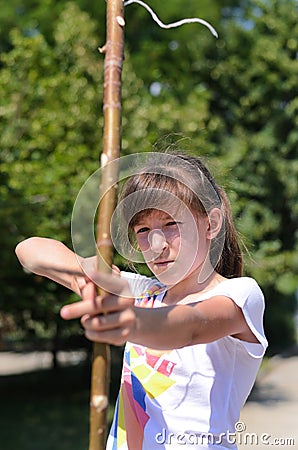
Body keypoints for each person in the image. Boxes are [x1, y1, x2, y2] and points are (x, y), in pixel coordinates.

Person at [15, 151, 267, 450]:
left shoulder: (240, 295)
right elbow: (29, 251)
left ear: (211, 224)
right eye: (143, 230)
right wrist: (86, 276)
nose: (156, 245)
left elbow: (189, 327)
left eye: (172, 224)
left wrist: (131, 321)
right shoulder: (142, 293)